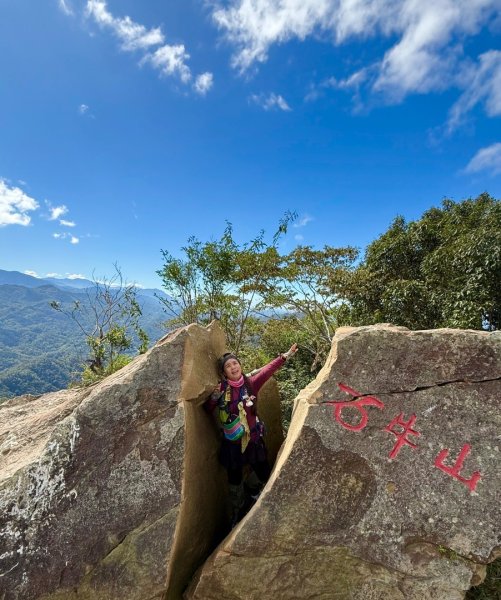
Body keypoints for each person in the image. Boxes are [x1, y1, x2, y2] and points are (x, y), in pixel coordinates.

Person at [205, 343, 298, 527]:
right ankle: (239, 509)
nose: (233, 367)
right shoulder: (222, 389)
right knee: (234, 478)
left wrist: (286, 355)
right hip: (232, 442)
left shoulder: (251, 384)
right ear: (224, 373)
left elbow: (268, 370)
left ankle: (254, 489)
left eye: (235, 363)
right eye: (228, 366)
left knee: (263, 471)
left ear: (240, 365)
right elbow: (208, 409)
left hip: (253, 439)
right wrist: (214, 398)